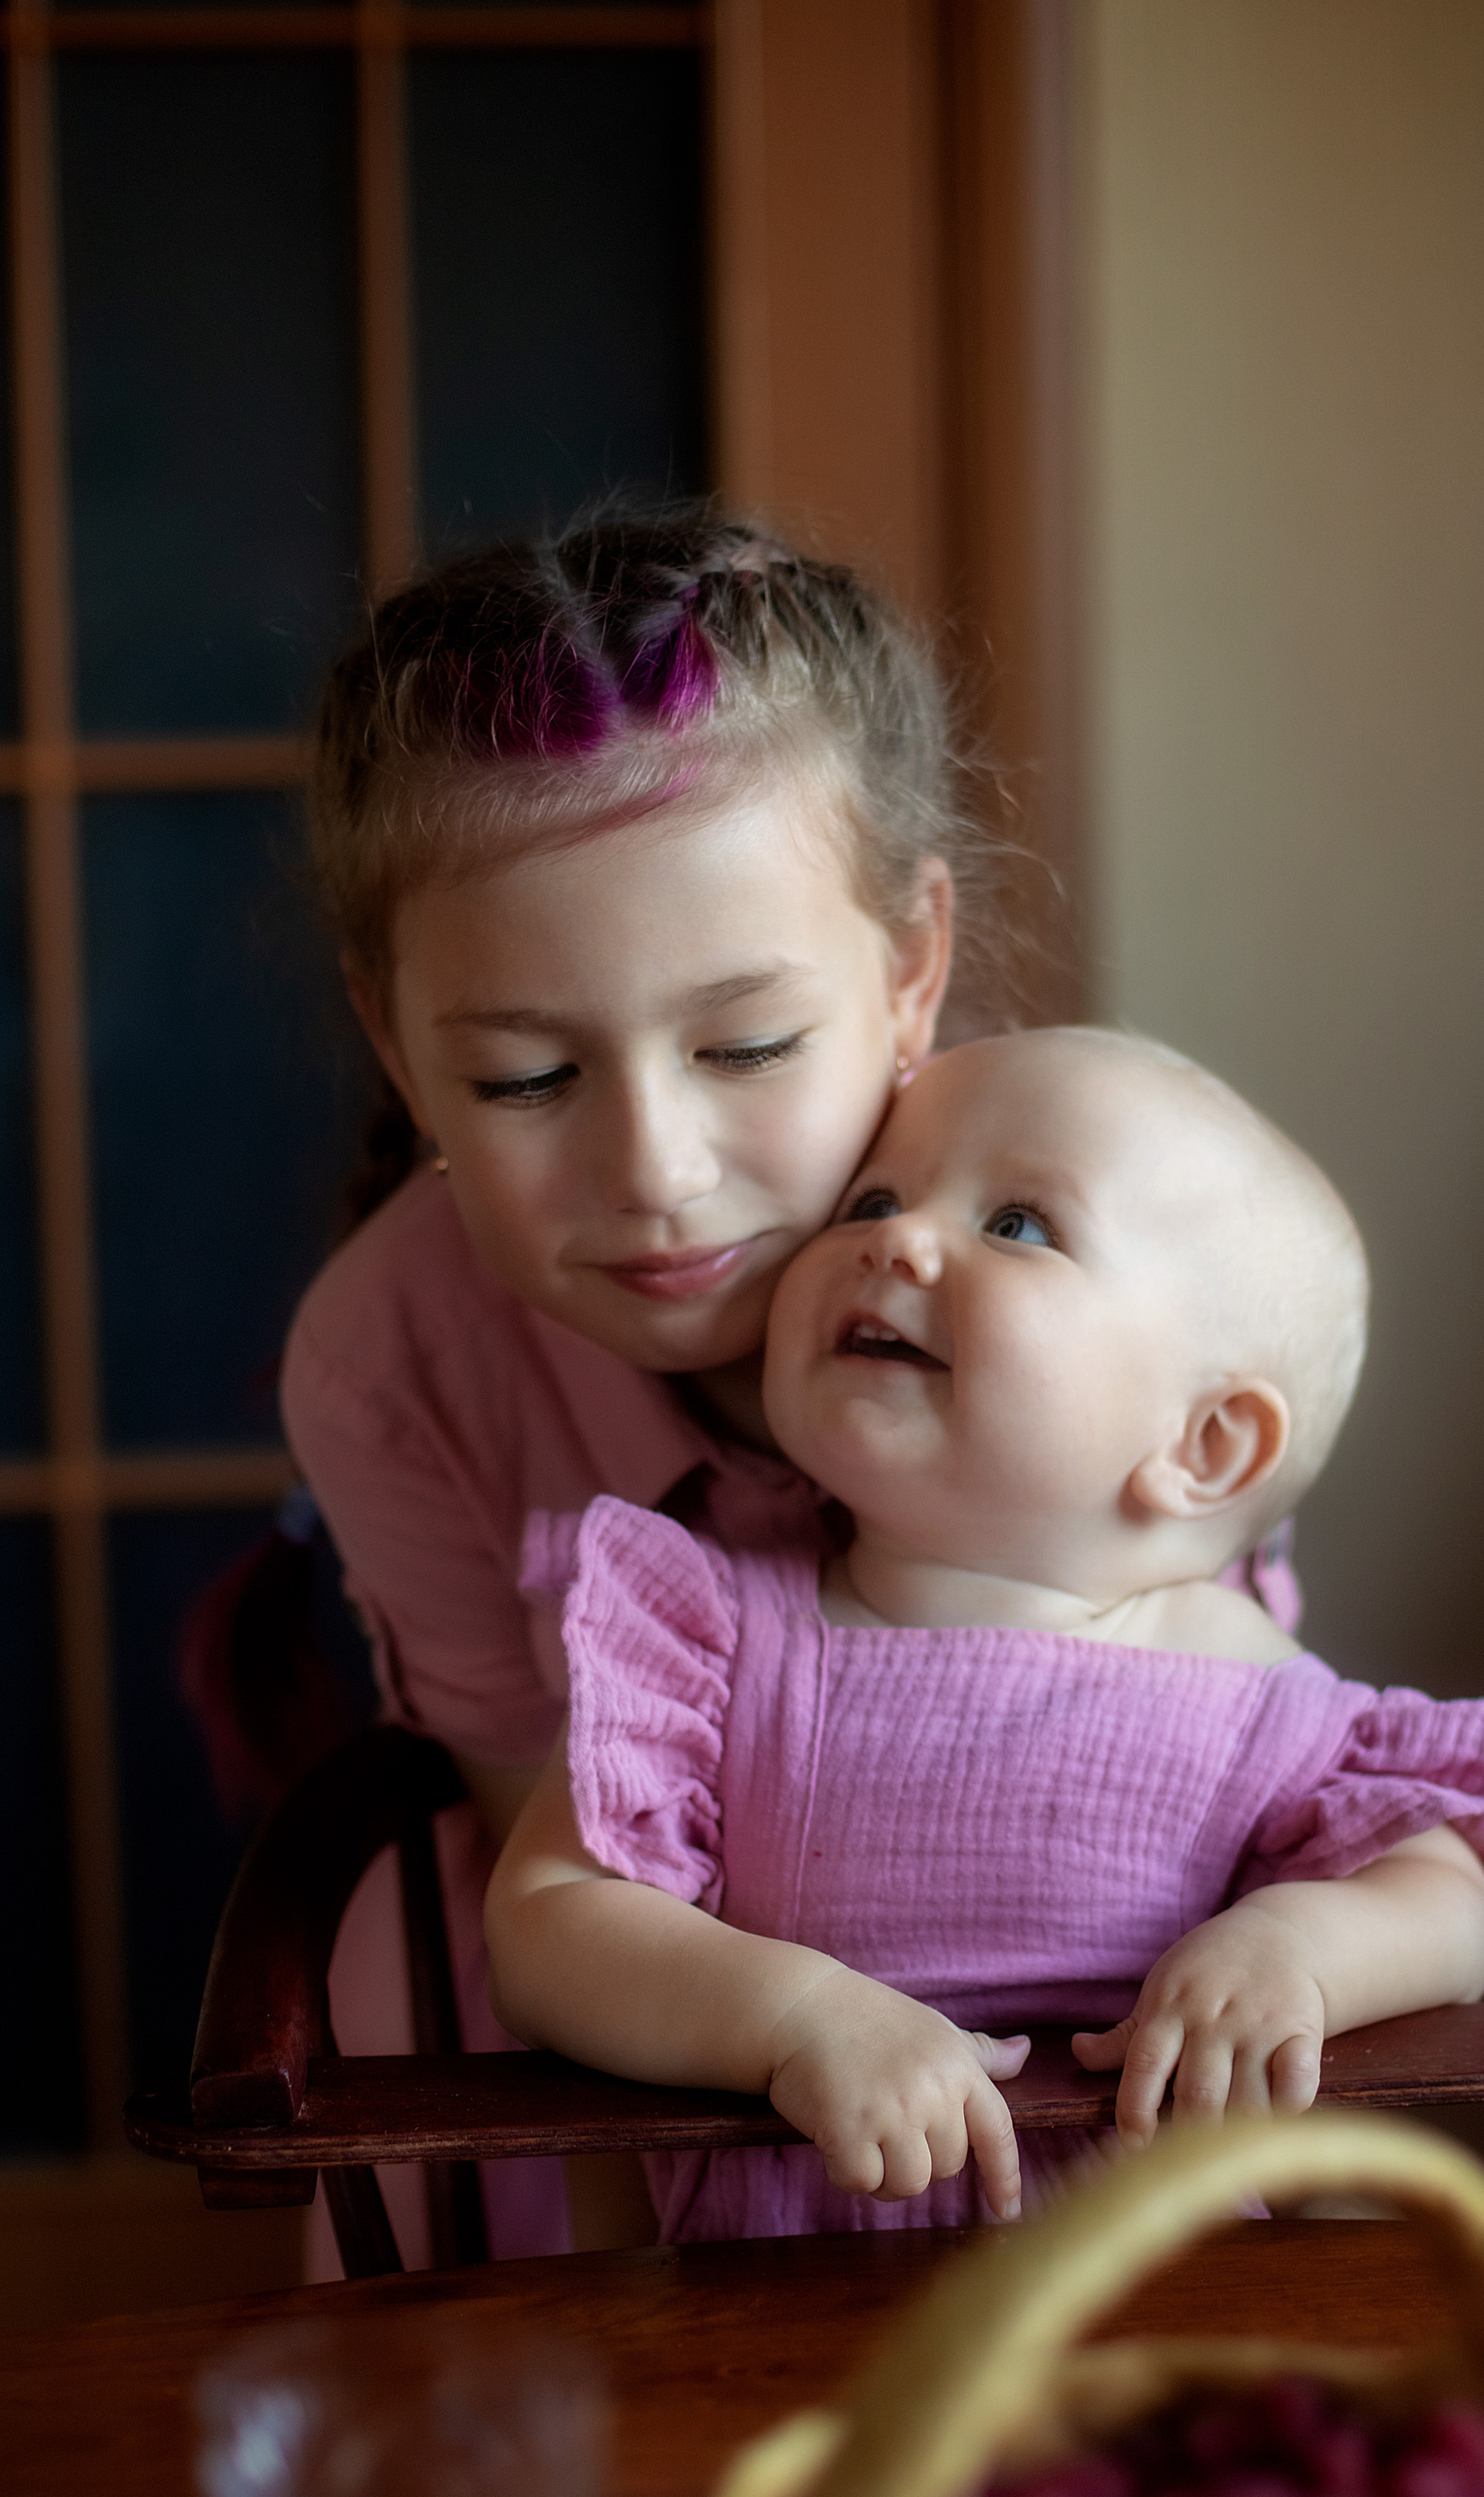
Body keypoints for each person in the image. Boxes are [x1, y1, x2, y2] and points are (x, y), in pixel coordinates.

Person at [284, 507, 1040, 2269]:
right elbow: (567, 1888)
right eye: (531, 1077)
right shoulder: (395, 1362)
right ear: (400, 1045)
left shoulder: (1095, 1255)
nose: (654, 1169)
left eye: (745, 1048)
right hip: (605, 2072)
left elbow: (1222, 1745)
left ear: (909, 966)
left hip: (1068, 2037)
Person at [485, 1028, 1484, 2241]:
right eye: (874, 1199)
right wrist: (794, 2017)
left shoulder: (1247, 1685)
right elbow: (548, 1918)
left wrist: (1295, 1949)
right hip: (790, 2294)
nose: (892, 1239)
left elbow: (1450, 1900)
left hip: (1156, 2288)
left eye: (1018, 1225)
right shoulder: (713, 1638)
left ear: (1203, 1446)